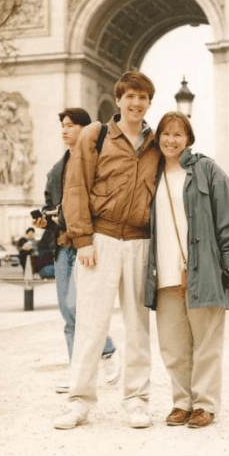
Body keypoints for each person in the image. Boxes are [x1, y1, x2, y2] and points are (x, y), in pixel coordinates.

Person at [54, 71, 160, 430]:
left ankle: (137, 400)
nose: (136, 103)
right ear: (118, 100)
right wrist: (82, 238)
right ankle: (79, 401)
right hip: (100, 240)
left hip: (140, 241)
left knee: (138, 327)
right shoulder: (94, 136)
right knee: (90, 324)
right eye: (130, 96)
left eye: (142, 97)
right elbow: (75, 187)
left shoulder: (157, 142)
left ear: (149, 102)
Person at [144, 112, 229, 429]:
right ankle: (181, 403)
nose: (171, 139)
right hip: (164, 274)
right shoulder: (150, 173)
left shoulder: (207, 170)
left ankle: (204, 405)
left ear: (189, 138)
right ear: (157, 137)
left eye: (179, 134)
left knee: (206, 344)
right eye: (166, 133)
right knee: (173, 346)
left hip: (202, 270)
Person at [33, 108, 120, 393]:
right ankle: (78, 376)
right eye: (62, 125)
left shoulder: (98, 161)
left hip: (86, 244)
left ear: (86, 129)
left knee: (78, 308)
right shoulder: (56, 169)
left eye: (70, 125)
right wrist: (45, 218)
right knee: (67, 312)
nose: (64, 130)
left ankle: (106, 350)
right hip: (62, 245)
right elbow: (50, 204)